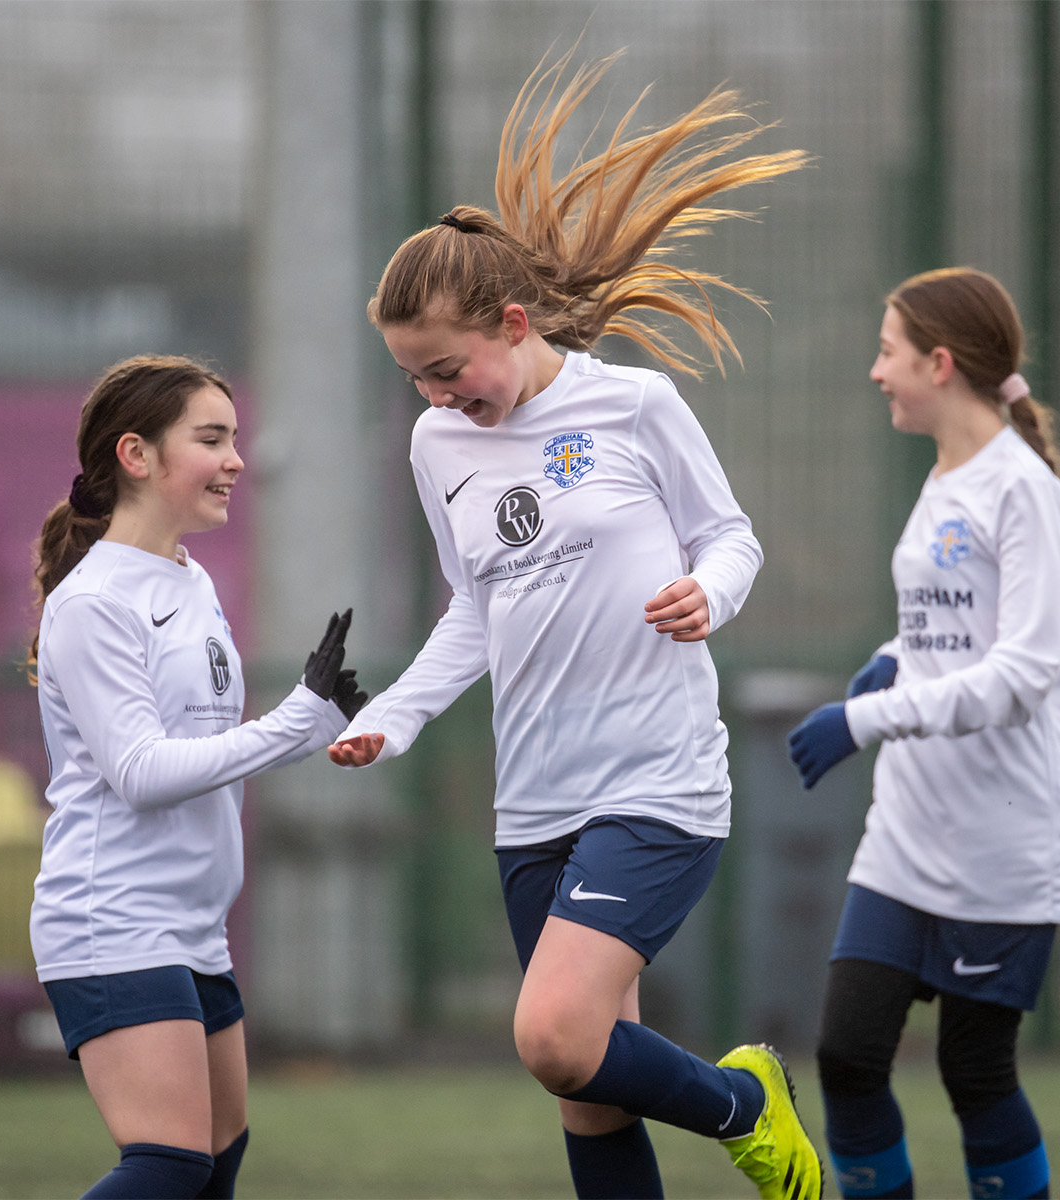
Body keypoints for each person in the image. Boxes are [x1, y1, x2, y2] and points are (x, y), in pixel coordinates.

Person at [325, 48, 820, 1200]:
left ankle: (749, 1105)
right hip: (532, 795)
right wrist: (392, 721)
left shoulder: (635, 404)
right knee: (588, 1090)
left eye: (449, 370)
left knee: (551, 1033)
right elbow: (472, 613)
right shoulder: (435, 446)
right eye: (415, 381)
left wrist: (715, 591)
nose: (441, 398)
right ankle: (732, 1110)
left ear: (510, 322)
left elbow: (731, 538)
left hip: (655, 783)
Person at [28, 355, 367, 1199]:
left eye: (234, 438)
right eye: (211, 439)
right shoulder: (94, 601)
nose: (236, 461)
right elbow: (141, 772)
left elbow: (207, 749)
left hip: (192, 923)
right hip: (114, 920)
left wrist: (313, 727)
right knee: (170, 1161)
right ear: (136, 456)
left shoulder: (192, 579)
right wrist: (290, 722)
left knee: (217, 1157)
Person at [785, 267, 1060, 1200]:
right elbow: (952, 627)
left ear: (940, 363)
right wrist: (893, 655)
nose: (877, 372)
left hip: (1001, 844)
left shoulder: (1022, 489)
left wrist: (867, 716)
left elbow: (1025, 672)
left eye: (889, 352)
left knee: (974, 1071)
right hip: (907, 834)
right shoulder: (943, 475)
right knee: (846, 1055)